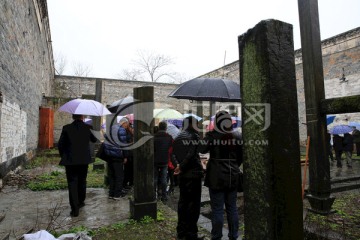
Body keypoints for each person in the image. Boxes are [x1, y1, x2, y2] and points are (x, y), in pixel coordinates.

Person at [199, 111, 242, 240]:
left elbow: (201, 150)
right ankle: (233, 236)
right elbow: (241, 157)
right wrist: (234, 165)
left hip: (216, 176)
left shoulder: (212, 136)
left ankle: (216, 237)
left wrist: (206, 136)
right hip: (232, 175)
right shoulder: (237, 136)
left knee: (217, 209)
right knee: (232, 208)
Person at [58, 114, 97, 217]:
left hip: (70, 161)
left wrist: (64, 156)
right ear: (82, 117)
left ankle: (74, 209)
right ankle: (81, 202)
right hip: (83, 160)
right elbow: (94, 140)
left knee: (72, 183)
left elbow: (60, 144)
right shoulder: (88, 128)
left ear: (73, 117)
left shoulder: (66, 128)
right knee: (82, 181)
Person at [172, 116, 204, 240]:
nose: (198, 126)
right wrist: (182, 166)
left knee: (183, 203)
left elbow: (173, 154)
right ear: (191, 124)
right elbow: (191, 154)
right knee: (194, 205)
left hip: (183, 175)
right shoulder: (194, 136)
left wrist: (177, 166)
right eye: (196, 123)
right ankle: (191, 234)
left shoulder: (178, 136)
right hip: (193, 174)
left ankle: (181, 231)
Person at [106, 117, 131, 200]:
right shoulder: (121, 130)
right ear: (124, 123)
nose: (126, 127)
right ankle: (117, 194)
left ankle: (111, 193)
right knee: (119, 176)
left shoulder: (110, 129)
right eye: (126, 125)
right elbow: (124, 145)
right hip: (117, 156)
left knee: (112, 175)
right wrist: (125, 156)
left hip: (109, 156)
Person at [154, 121, 173, 202]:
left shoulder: (154, 137)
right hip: (165, 160)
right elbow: (171, 149)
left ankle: (154, 195)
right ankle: (164, 196)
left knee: (154, 178)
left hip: (155, 160)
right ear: (166, 128)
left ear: (159, 127)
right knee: (164, 179)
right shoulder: (169, 137)